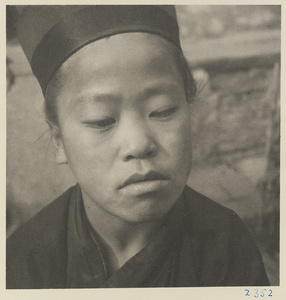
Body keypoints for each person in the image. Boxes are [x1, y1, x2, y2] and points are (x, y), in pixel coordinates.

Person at [6, 5, 270, 288]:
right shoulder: (26, 259)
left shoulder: (226, 246)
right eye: (101, 121)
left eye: (162, 110)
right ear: (59, 140)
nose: (139, 144)